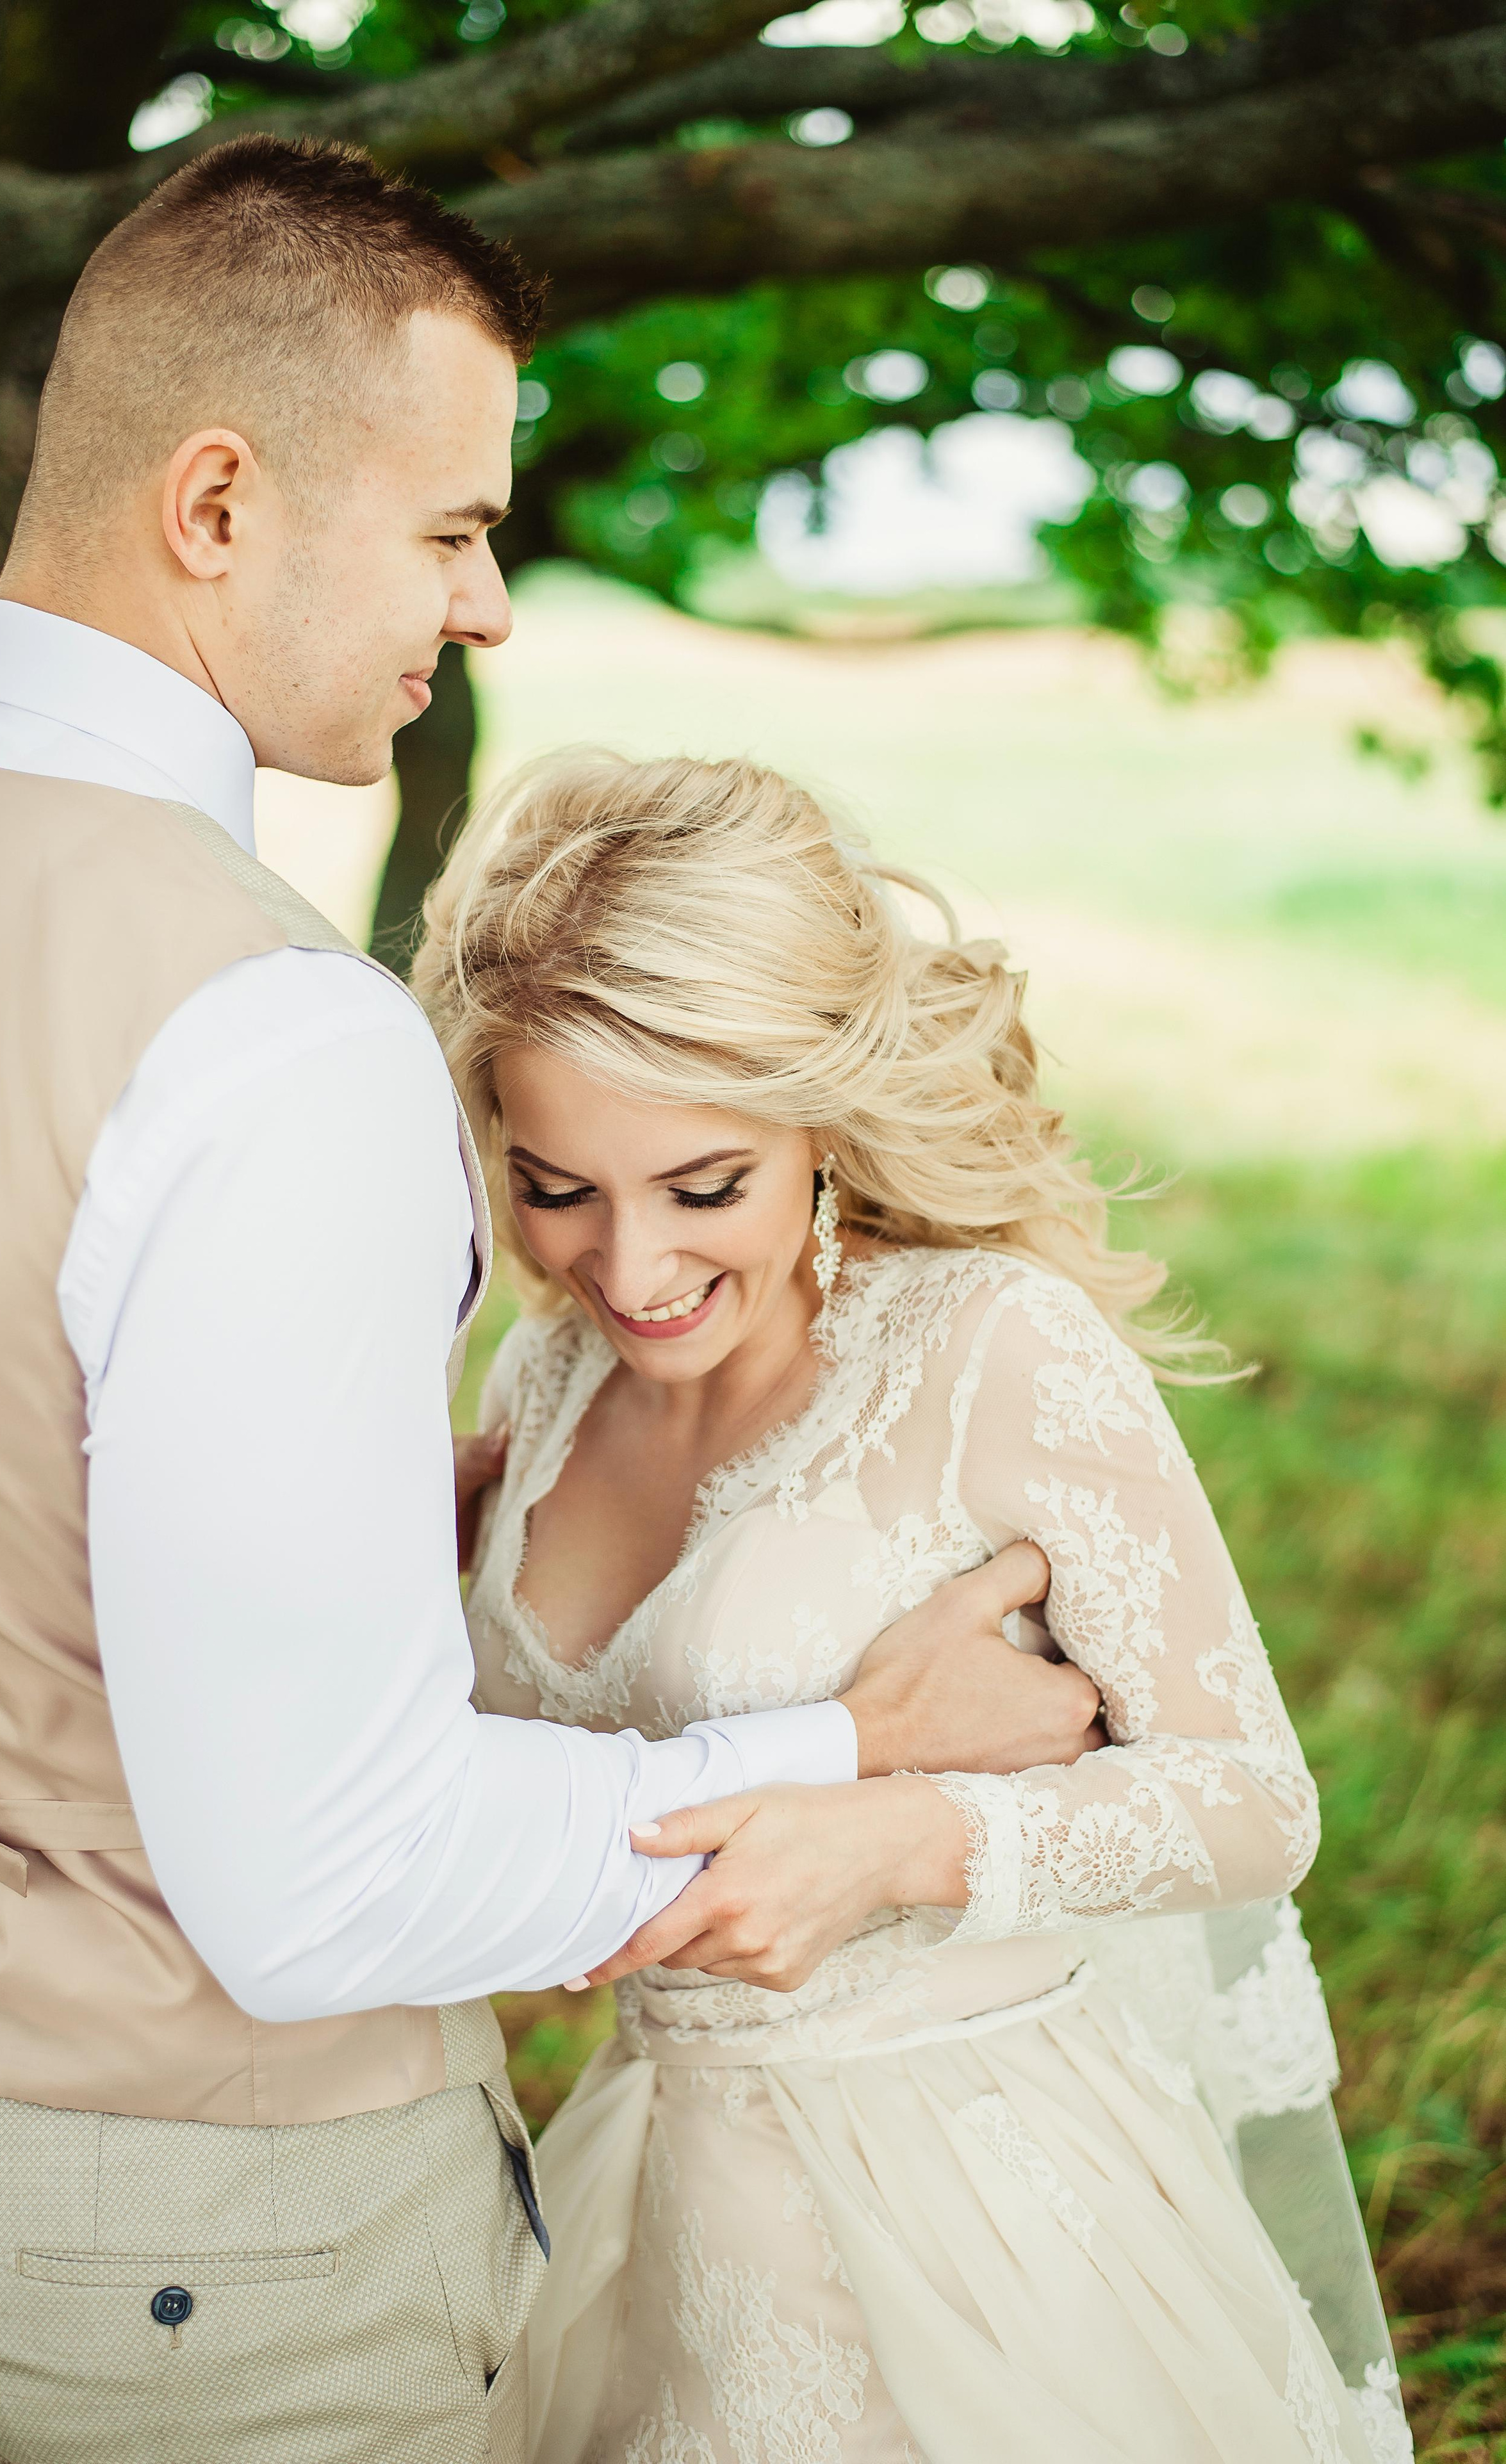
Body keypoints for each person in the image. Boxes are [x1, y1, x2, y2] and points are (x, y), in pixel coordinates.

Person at [0, 140, 1099, 2464]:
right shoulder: (263, 1034)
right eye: (449, 525)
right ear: (217, 504)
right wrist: (849, 1745)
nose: (495, 602)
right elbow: (330, 1895)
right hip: (209, 2266)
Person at [416, 748, 1413, 2464]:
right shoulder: (554, 1368)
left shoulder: (987, 1351)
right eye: (554, 1187)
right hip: (659, 2185)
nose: (629, 1271)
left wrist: (896, 1841)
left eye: (704, 1186)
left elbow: (1253, 1802)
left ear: (820, 1118)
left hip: (970, 2218)